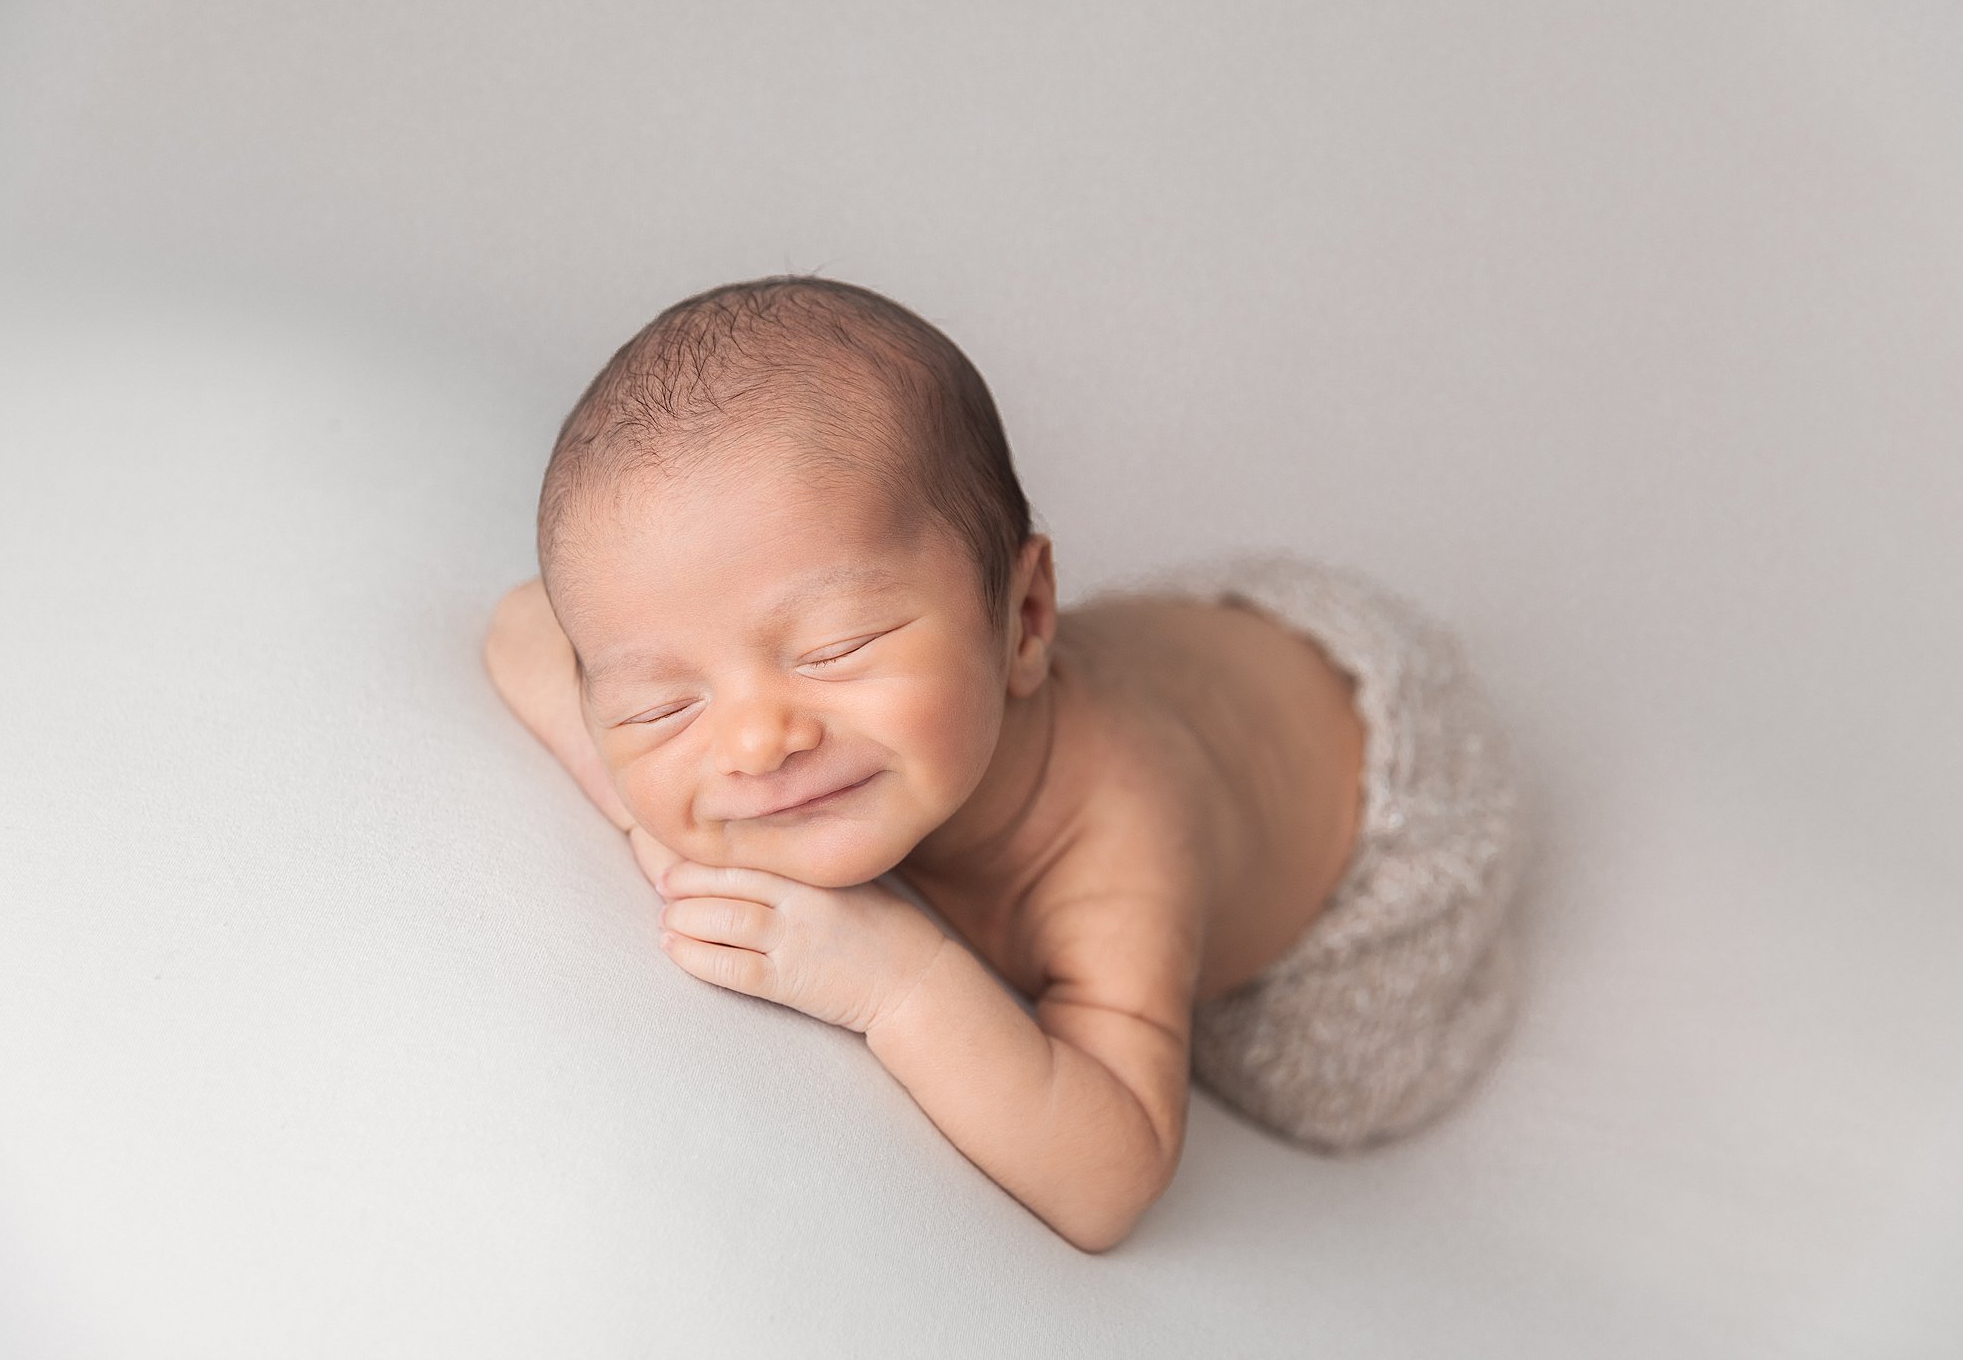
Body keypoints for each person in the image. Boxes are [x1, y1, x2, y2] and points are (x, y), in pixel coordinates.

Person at [481, 275, 1533, 1253]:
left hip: (1381, 815)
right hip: (1200, 652)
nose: (755, 743)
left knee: (1320, 1085)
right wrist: (645, 821)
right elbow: (521, 629)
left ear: (1025, 620)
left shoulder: (1115, 837)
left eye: (835, 647)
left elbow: (1109, 1176)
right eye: (665, 705)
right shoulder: (849, 718)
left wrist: (895, 981)